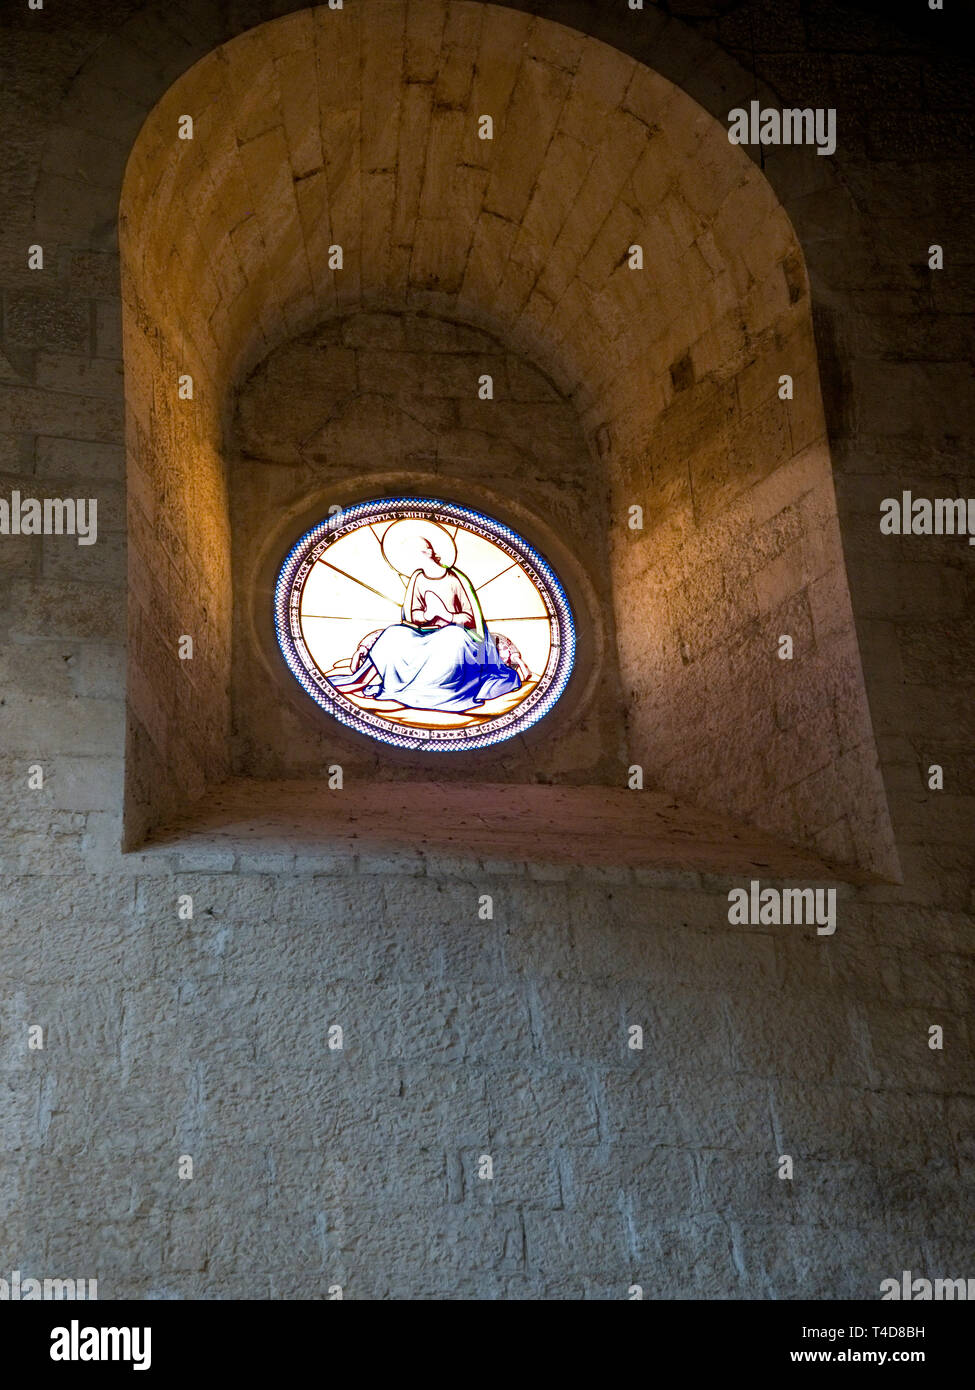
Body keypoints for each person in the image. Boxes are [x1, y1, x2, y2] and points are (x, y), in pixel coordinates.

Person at [328, 519, 525, 713]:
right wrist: (426, 615)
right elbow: (412, 615)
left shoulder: (456, 579)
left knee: (451, 637)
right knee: (394, 634)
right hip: (425, 634)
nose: (413, 557)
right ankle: (380, 685)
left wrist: (448, 616)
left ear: (431, 552)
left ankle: (438, 693)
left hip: (460, 636)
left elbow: (471, 618)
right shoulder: (417, 578)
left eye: (417, 551)